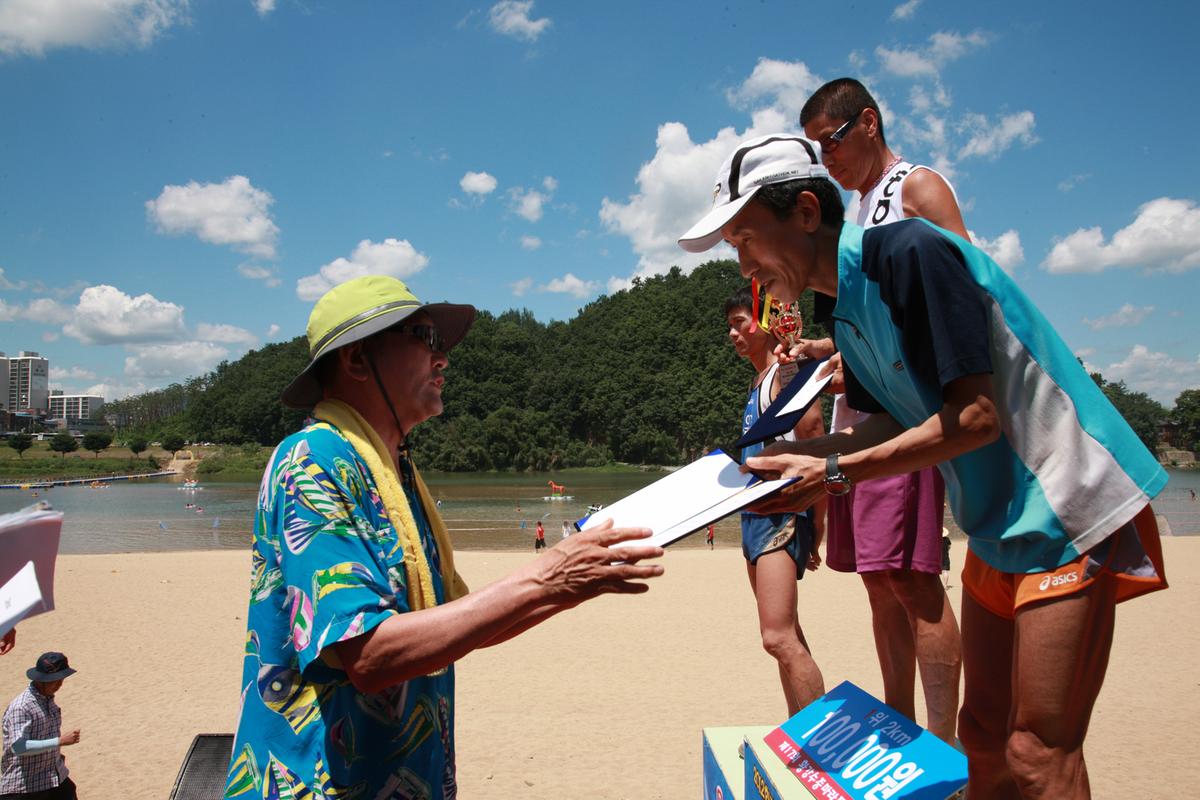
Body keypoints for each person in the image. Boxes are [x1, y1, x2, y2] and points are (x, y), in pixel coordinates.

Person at [678, 134, 1168, 799]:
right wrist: (795, 460)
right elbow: (891, 421)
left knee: (1037, 753)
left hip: (1068, 504)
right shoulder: (845, 312)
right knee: (983, 737)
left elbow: (975, 419)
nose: (744, 267)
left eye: (744, 240)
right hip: (998, 523)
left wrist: (833, 476)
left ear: (804, 213)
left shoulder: (909, 255)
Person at [225, 275, 662, 799]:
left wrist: (568, 588)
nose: (443, 359)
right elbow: (367, 654)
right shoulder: (313, 461)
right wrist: (546, 578)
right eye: (425, 339)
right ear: (357, 361)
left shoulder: (398, 475)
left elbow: (457, 623)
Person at [791, 77, 963, 743]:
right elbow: (877, 319)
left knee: (911, 577)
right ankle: (900, 723)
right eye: (816, 150)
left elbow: (956, 297)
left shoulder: (915, 189)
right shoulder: (857, 213)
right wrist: (831, 350)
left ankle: (944, 745)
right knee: (874, 578)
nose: (827, 158)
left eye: (830, 141)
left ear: (868, 122)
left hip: (903, 418)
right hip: (854, 424)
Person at [725, 285, 826, 714]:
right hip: (754, 516)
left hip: (781, 514)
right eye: (729, 325)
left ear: (766, 323)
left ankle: (822, 748)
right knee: (788, 634)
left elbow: (815, 435)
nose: (733, 333)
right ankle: (799, 736)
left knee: (777, 638)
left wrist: (818, 523)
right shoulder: (759, 381)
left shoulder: (784, 373)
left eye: (740, 322)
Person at [1, 652, 81, 800]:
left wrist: (54, 755)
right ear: (40, 680)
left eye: (61, 680)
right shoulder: (21, 707)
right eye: (54, 680)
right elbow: (19, 747)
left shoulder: (48, 701)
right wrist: (59, 741)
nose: (59, 685)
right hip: (25, 788)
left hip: (55, 779)